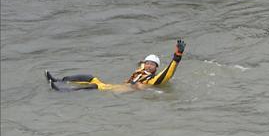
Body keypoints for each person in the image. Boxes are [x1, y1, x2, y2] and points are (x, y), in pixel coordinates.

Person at [46, 39, 186, 92]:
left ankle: (61, 90)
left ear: (156, 68)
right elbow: (141, 62)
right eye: (148, 63)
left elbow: (168, 73)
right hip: (117, 85)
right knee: (91, 78)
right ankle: (58, 80)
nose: (149, 66)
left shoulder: (152, 80)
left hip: (119, 90)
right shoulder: (142, 68)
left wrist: (177, 55)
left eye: (152, 65)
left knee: (96, 86)